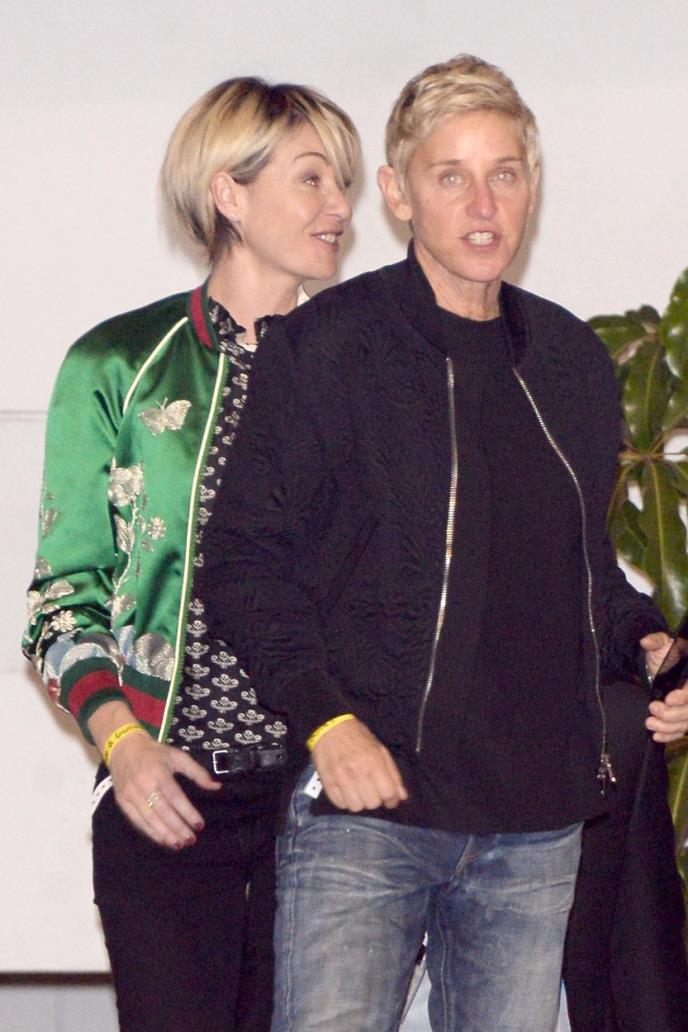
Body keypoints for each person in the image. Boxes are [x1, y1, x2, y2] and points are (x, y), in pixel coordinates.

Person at [197, 55, 688, 1032]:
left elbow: (579, 570)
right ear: (397, 193)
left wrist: (644, 642)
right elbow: (241, 559)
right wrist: (327, 724)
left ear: (532, 186)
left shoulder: (571, 363)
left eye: (503, 173)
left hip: (533, 825)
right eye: (450, 175)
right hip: (365, 815)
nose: (482, 203)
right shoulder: (326, 349)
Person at [22, 76, 357, 1032]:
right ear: (228, 193)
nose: (339, 207)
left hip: (325, 801)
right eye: (311, 179)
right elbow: (60, 599)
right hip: (164, 789)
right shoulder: (117, 366)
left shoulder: (360, 372)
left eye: (342, 183)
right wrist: (123, 749)